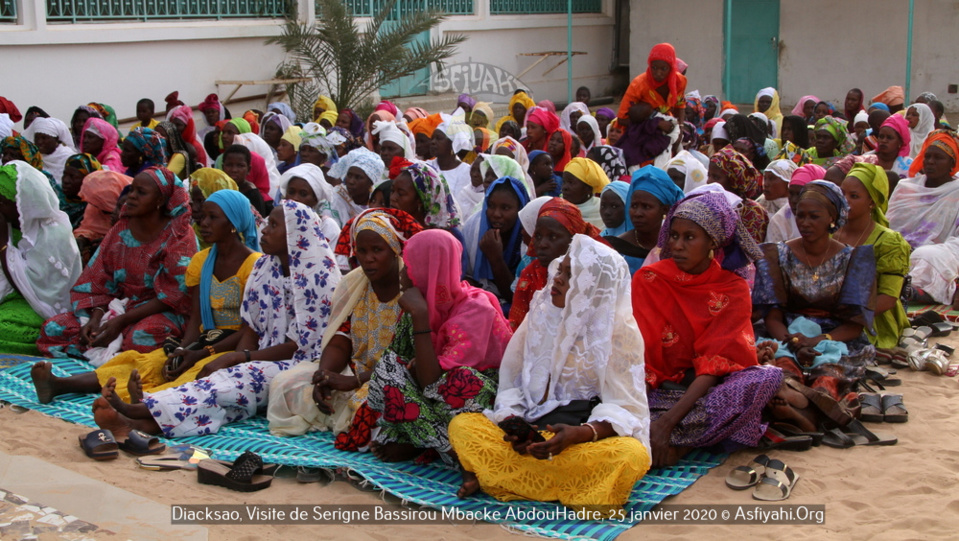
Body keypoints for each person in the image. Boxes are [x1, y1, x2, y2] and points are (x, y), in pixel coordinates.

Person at [88, 200, 341, 439]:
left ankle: (139, 410)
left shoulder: (317, 276)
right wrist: (235, 359)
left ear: (295, 234)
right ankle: (141, 422)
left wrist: (240, 359)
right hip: (263, 358)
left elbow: (300, 346)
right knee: (226, 388)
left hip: (300, 363)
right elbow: (252, 327)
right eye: (267, 223)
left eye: (274, 225)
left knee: (234, 382)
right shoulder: (266, 267)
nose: (264, 230)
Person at [450, 235, 650, 512]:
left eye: (571, 274)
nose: (557, 278)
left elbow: (629, 409)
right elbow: (513, 384)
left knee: (630, 455)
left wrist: (579, 434)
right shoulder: (541, 314)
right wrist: (514, 425)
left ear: (593, 287)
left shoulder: (617, 334)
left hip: (576, 442)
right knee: (463, 426)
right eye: (561, 270)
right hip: (532, 436)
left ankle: (515, 480)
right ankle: (559, 485)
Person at [31, 189, 261, 404]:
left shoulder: (254, 266)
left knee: (195, 376)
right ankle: (58, 385)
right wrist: (183, 349)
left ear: (233, 224)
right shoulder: (202, 261)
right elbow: (196, 319)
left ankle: (147, 404)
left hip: (233, 347)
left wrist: (201, 353)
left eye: (213, 218)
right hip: (205, 339)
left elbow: (249, 330)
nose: (204, 223)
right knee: (143, 363)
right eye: (204, 217)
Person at [635, 192, 782, 465]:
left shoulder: (732, 289)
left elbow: (717, 364)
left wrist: (667, 423)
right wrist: (642, 413)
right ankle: (692, 437)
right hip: (654, 392)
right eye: (674, 236)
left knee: (766, 378)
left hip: (702, 393)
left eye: (689, 237)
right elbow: (639, 358)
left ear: (712, 242)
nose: (677, 245)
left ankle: (680, 447)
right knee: (743, 426)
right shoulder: (650, 280)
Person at [268, 209, 423, 451]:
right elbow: (341, 337)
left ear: (394, 250)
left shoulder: (412, 288)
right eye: (361, 251)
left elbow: (410, 360)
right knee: (285, 385)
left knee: (373, 410)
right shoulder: (353, 284)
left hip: (393, 378)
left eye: (377, 250)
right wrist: (326, 375)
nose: (368, 258)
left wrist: (354, 382)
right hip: (353, 370)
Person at [365, 229, 512, 464]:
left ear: (429, 269)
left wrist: (421, 318)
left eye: (410, 265)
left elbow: (433, 382)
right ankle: (442, 445)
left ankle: (437, 445)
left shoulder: (476, 308)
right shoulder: (416, 306)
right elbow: (397, 359)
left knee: (457, 381)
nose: (402, 274)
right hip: (433, 404)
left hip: (473, 405)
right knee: (387, 368)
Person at [38, 166, 197, 358]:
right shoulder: (121, 228)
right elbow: (99, 280)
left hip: (157, 310)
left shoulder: (179, 235)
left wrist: (121, 321)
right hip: (117, 307)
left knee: (140, 338)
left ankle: (114, 352)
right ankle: (106, 348)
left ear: (160, 201)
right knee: (53, 328)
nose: (132, 196)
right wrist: (95, 319)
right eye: (132, 190)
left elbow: (175, 295)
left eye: (141, 193)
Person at [753, 181, 876, 404]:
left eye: (814, 216)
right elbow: (773, 316)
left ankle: (812, 407)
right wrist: (796, 344)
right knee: (785, 372)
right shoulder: (778, 255)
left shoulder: (852, 260)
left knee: (827, 378)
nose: (805, 223)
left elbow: (854, 324)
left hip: (835, 339)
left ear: (832, 218)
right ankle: (796, 405)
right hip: (787, 335)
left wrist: (818, 340)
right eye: (800, 216)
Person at [0, 162, 82, 354]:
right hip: (11, 297)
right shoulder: (11, 226)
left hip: (40, 306)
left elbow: (31, 288)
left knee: (6, 328)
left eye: (3, 202)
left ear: (24, 204)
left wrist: (3, 242)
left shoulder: (54, 234)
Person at [833, 164, 910, 349]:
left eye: (854, 196)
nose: (845, 201)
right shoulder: (830, 231)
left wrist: (844, 317)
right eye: (842, 193)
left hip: (870, 317)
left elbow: (888, 298)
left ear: (873, 201)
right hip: (831, 309)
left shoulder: (889, 241)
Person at [508, 198, 604, 331]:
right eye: (538, 236)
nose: (542, 244)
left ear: (574, 239)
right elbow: (516, 324)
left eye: (553, 237)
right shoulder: (530, 273)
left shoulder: (590, 275)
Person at [887, 130, 959, 305]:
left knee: (926, 255)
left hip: (941, 251)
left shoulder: (957, 191)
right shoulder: (906, 187)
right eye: (927, 156)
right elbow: (889, 226)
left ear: (952, 163)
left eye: (938, 158)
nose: (930, 162)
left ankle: (916, 292)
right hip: (901, 249)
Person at [462, 176, 530, 307]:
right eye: (491, 206)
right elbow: (466, 276)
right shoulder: (474, 227)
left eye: (505, 208)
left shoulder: (528, 236)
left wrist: (495, 258)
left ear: (520, 209)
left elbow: (517, 298)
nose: (496, 214)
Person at [611, 165, 684, 274]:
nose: (637, 213)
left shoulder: (674, 248)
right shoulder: (616, 248)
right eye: (634, 206)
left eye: (646, 207)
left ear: (665, 209)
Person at [618, 43, 686, 156]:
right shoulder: (638, 84)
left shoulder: (679, 81)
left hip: (668, 128)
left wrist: (681, 129)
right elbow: (622, 119)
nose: (658, 73)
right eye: (654, 68)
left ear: (671, 67)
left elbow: (680, 105)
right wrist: (655, 123)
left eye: (663, 69)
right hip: (639, 134)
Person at [707, 147, 769, 244]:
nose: (709, 181)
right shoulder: (706, 207)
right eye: (708, 175)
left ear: (733, 181)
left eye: (716, 177)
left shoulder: (754, 213)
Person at [74, 171, 133, 265]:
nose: (97, 209)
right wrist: (83, 238)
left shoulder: (134, 217)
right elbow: (88, 227)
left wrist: (110, 243)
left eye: (105, 208)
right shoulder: (96, 205)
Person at [278, 163, 342, 245]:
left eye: (303, 194)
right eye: (291, 192)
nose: (295, 198)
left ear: (315, 199)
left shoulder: (326, 227)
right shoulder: (276, 221)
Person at [389, 160, 461, 231]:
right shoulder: (388, 227)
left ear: (420, 200)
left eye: (401, 194)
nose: (392, 198)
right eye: (392, 191)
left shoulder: (438, 237)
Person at [326, 147, 387, 228]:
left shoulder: (376, 199)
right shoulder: (334, 199)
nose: (351, 181)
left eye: (358, 177)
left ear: (371, 182)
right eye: (349, 175)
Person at [766, 163, 826, 244]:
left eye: (800, 194)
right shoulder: (780, 221)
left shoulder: (833, 216)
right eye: (791, 193)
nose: (794, 200)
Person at [562, 157, 609, 229]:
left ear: (588, 189)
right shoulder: (558, 207)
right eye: (564, 182)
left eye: (571, 182)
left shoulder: (601, 209)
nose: (565, 187)